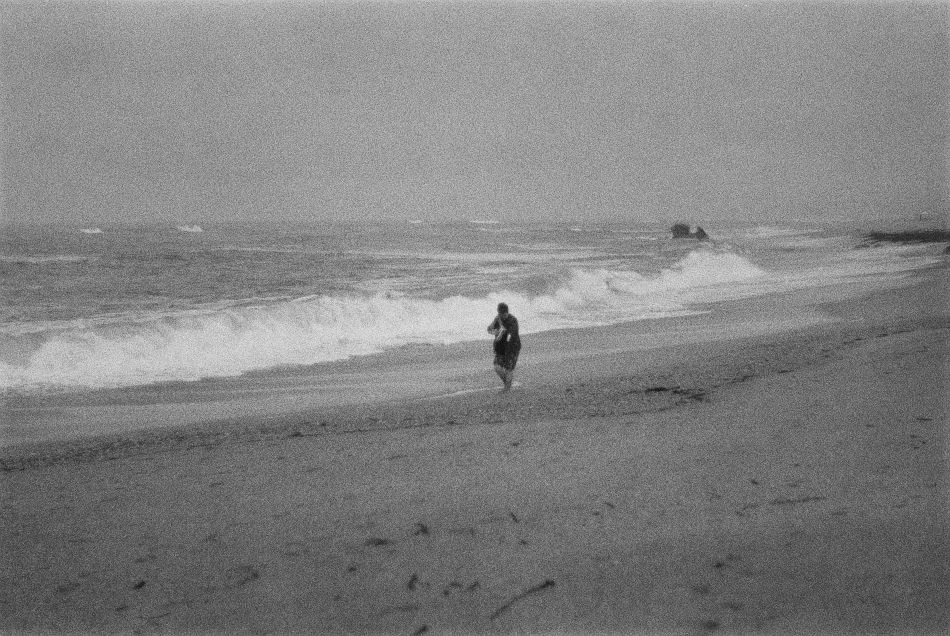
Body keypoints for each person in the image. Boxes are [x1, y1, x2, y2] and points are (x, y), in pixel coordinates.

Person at [487, 302, 521, 390]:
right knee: (497, 367)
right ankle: (507, 383)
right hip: (500, 348)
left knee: (509, 369)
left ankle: (507, 388)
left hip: (512, 347)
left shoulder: (513, 320)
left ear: (506, 313)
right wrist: (494, 327)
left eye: (503, 314)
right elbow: (489, 329)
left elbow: (511, 334)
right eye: (500, 314)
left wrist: (503, 331)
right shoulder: (497, 319)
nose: (501, 316)